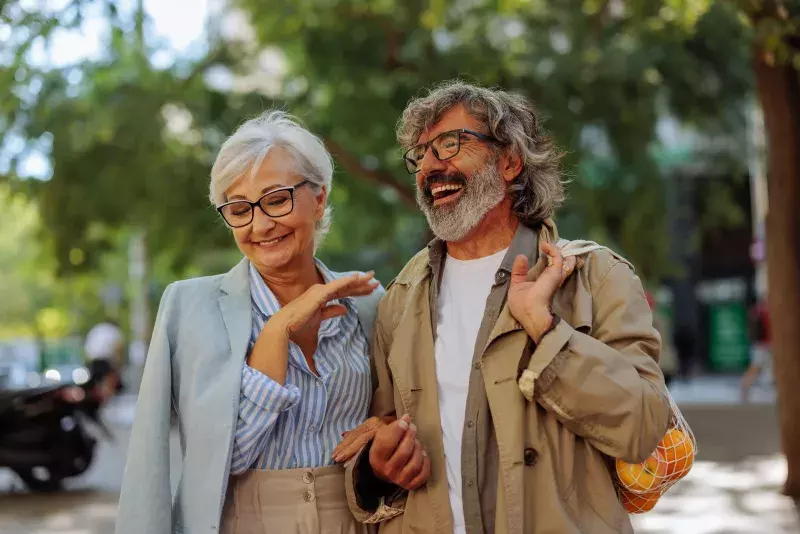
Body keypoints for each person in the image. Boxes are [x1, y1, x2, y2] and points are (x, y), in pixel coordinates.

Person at [337, 81, 671, 534]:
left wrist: (547, 330)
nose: (431, 167)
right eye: (420, 155)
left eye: (450, 145)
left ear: (510, 161)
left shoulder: (596, 276)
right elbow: (383, 434)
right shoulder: (401, 296)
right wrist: (378, 466)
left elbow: (643, 426)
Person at [116, 111, 384, 534]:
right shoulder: (188, 307)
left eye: (276, 199)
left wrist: (386, 430)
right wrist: (278, 330)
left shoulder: (369, 304)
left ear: (319, 198)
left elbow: (401, 418)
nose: (260, 225)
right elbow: (198, 460)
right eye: (239, 209)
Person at [83, 318, 125, 399]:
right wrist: (119, 365)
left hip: (92, 360)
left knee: (95, 383)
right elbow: (117, 349)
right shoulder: (115, 331)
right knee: (109, 380)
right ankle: (107, 399)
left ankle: (97, 400)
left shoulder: (96, 329)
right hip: (105, 360)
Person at [740, 299, 772, 402]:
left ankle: (744, 390)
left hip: (763, 344)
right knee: (756, 366)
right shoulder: (764, 311)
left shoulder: (757, 310)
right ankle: (744, 390)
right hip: (764, 344)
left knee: (758, 366)